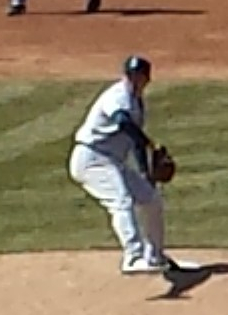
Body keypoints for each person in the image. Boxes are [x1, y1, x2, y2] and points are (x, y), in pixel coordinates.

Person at [71, 55, 172, 276]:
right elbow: (123, 122)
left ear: (147, 78)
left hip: (111, 162)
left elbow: (134, 141)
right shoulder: (117, 96)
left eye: (139, 75)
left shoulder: (137, 101)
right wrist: (150, 144)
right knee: (121, 201)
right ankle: (133, 257)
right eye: (131, 75)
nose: (134, 79)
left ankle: (154, 256)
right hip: (91, 159)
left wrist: (146, 174)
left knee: (150, 198)